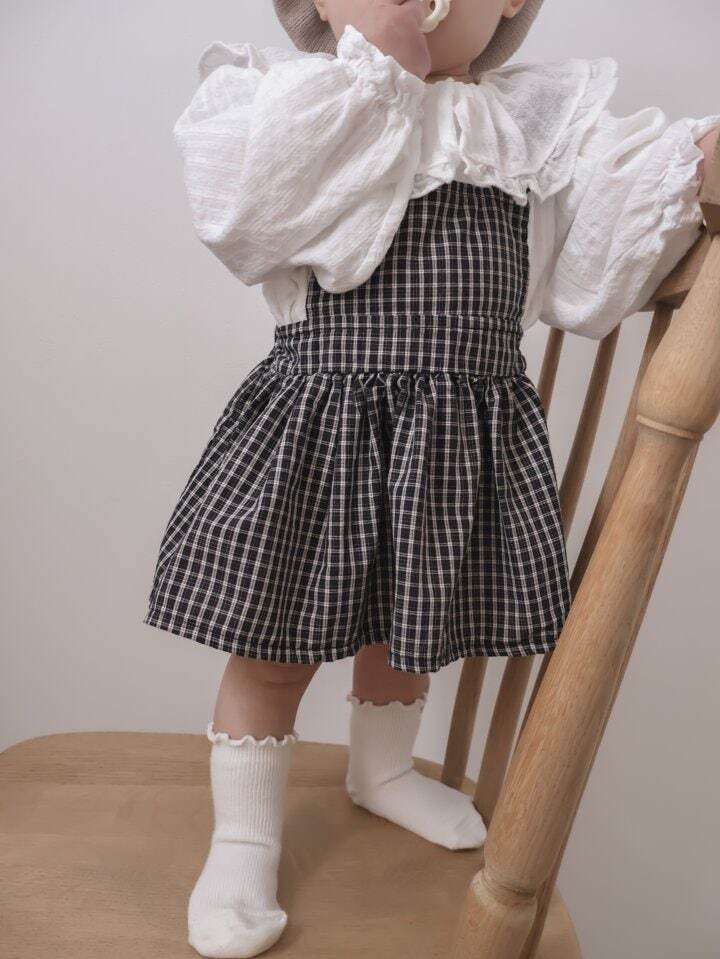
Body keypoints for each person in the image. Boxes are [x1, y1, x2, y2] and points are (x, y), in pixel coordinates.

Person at [142, 1, 720, 955]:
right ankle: (243, 836)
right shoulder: (302, 98)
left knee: (416, 623)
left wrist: (689, 162)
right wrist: (375, 79)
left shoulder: (531, 126)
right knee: (274, 643)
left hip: (459, 436)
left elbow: (597, 248)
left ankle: (382, 769)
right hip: (325, 424)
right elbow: (246, 213)